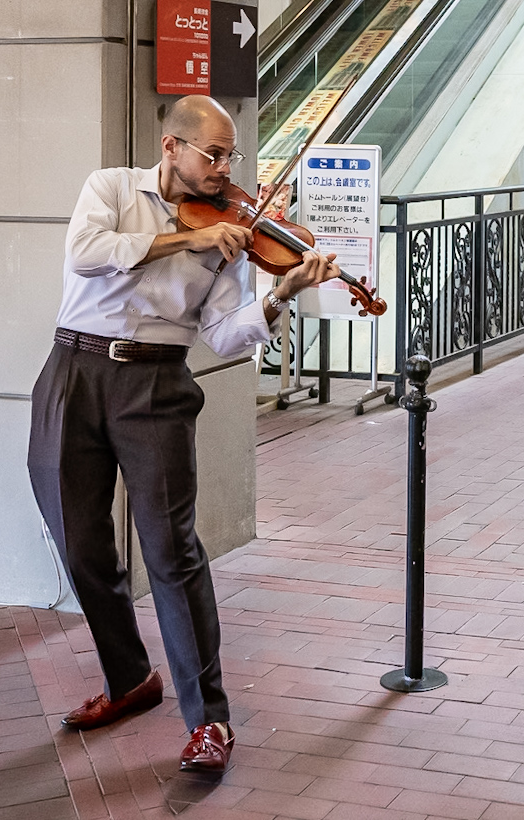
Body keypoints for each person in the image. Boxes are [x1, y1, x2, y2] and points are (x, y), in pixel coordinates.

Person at [27, 94, 338, 774]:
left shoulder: (233, 234)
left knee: (172, 551)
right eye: (215, 155)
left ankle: (210, 721)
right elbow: (85, 253)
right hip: (73, 372)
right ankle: (130, 678)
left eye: (232, 157)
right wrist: (185, 238)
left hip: (157, 384)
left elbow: (224, 332)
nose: (227, 169)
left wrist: (279, 294)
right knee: (80, 543)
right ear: (172, 148)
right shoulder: (110, 188)